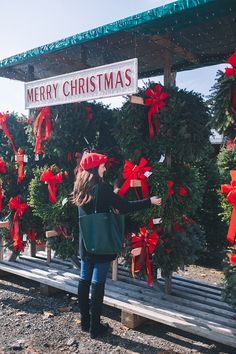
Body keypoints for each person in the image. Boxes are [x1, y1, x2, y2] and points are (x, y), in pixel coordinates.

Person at [71, 152, 161, 339]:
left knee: (83, 279)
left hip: (86, 241)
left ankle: (85, 322)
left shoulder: (80, 186)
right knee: (97, 282)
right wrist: (149, 201)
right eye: (103, 165)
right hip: (102, 240)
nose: (105, 168)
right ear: (96, 168)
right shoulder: (102, 188)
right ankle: (96, 328)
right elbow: (125, 206)